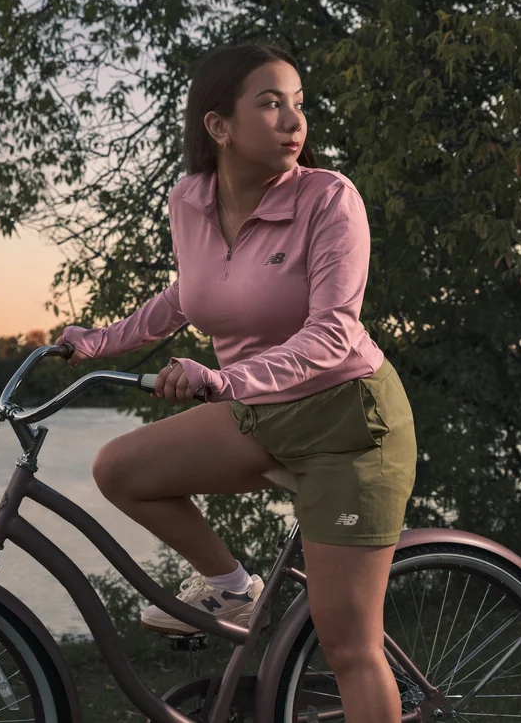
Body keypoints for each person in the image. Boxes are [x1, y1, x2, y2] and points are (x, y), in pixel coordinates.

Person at [55, 42, 417, 723]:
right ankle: (231, 587)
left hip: (350, 424)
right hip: (259, 407)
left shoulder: (329, 199)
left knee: (347, 646)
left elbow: (334, 332)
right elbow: (191, 294)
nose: (294, 120)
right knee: (122, 469)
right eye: (271, 103)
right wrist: (97, 341)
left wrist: (222, 379)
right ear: (219, 126)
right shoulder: (189, 200)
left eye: (299, 103)